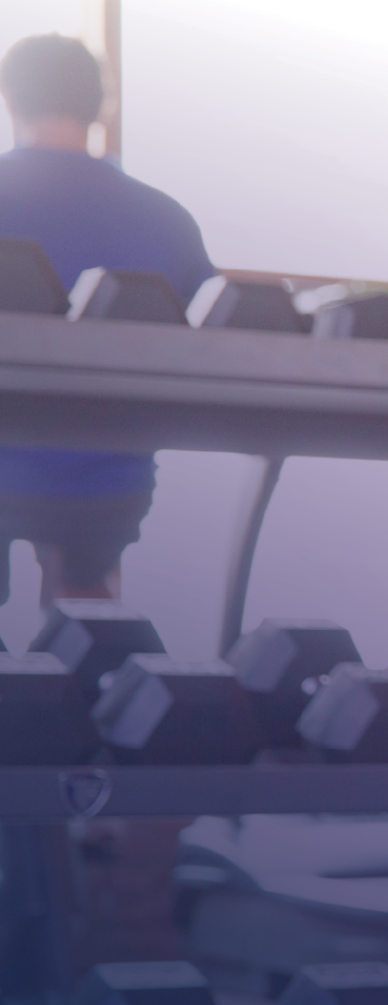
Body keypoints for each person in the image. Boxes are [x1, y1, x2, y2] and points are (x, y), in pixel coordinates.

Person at [0, 34, 215, 606]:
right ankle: (94, 661)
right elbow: (216, 340)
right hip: (110, 481)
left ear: (11, 101)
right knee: (86, 613)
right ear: (102, 105)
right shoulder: (167, 218)